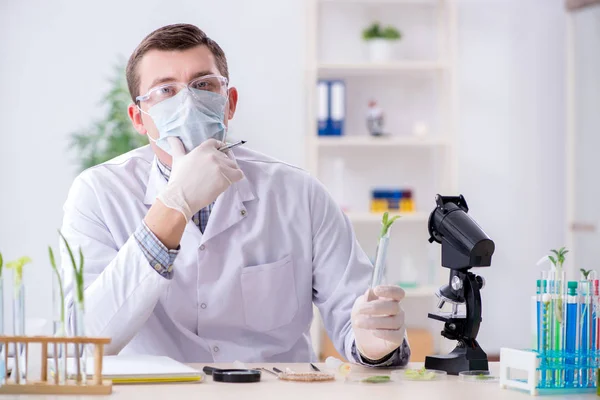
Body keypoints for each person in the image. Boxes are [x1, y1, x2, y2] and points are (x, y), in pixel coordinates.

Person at [60, 23, 410, 366]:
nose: (188, 102)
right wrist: (174, 204)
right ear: (139, 118)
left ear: (229, 103)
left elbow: (358, 319)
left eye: (203, 85)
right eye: (166, 90)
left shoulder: (298, 193)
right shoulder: (98, 194)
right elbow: (84, 342)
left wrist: (375, 344)